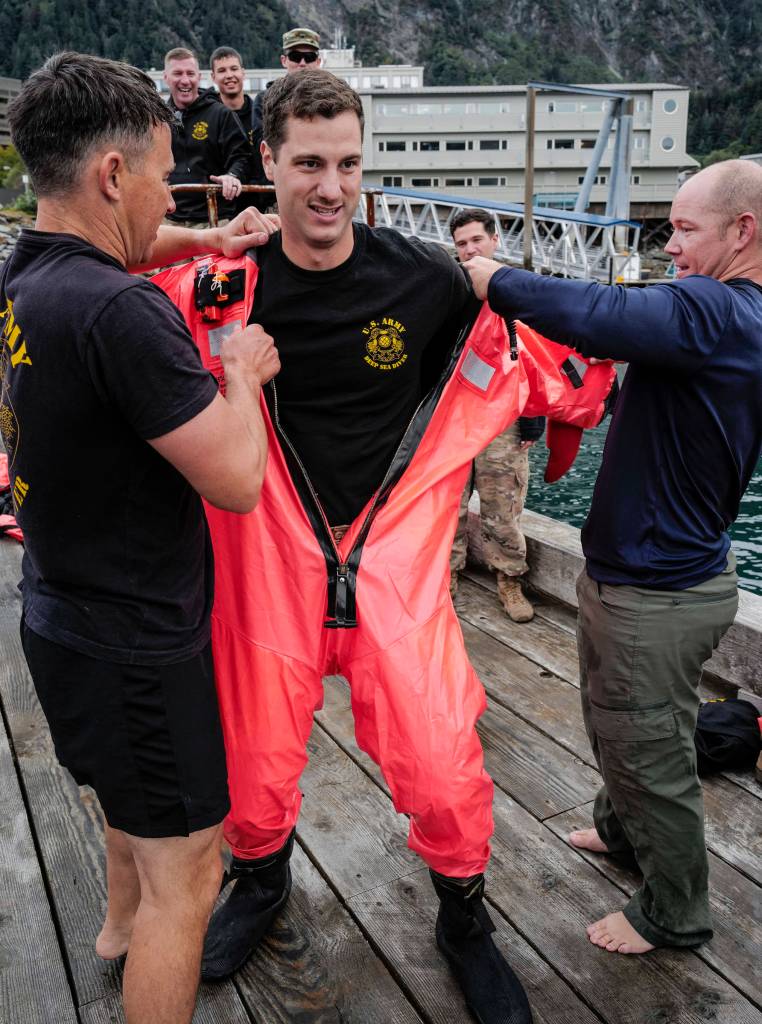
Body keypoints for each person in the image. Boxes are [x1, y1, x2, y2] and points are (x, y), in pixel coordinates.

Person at [154, 68, 616, 1024]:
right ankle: (263, 882)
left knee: (443, 759)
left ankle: (464, 918)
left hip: (395, 563)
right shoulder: (219, 291)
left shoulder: (426, 277)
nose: (331, 186)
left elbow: (526, 347)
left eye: (350, 163)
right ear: (266, 165)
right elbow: (87, 281)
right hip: (267, 559)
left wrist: (568, 422)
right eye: (309, 163)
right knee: (253, 757)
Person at [2, 51, 280, 1024]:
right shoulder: (123, 316)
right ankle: (143, 943)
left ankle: (113, 938)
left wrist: (209, 233)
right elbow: (239, 482)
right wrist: (239, 368)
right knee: (190, 879)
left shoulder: (25, 276)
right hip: (137, 650)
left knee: (123, 806)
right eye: (163, 174)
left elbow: (126, 251)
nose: (172, 191)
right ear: (112, 177)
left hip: (56, 613)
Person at [464, 159, 762, 957]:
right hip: (643, 577)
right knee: (615, 723)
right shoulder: (724, 320)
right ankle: (619, 833)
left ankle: (673, 912)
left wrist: (494, 278)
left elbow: (600, 311)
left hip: (658, 593)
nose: (671, 248)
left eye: (686, 230)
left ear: (745, 232)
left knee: (651, 749)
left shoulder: (722, 309)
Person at [448, 209, 544, 622]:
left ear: (494, 240)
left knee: (502, 505)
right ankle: (444, 578)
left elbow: (540, 358)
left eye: (476, 241)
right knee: (445, 505)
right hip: (451, 417)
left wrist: (534, 417)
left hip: (503, 419)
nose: (469, 250)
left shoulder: (520, 291)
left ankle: (509, 580)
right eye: (461, 244)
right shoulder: (448, 290)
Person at [163, 47, 250, 226]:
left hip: (214, 219)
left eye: (190, 73)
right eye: (178, 73)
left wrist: (232, 175)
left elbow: (242, 157)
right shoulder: (158, 118)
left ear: (199, 77)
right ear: (166, 78)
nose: (185, 80)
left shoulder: (221, 114)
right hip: (170, 220)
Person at [248, 28, 323, 196]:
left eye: (309, 57)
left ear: (318, 62)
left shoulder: (330, 100)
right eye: (295, 56)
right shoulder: (265, 100)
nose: (302, 63)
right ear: (284, 60)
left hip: (319, 189)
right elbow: (263, 142)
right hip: (277, 192)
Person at [210, 45, 269, 214]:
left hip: (261, 204)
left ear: (243, 72)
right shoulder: (209, 119)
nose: (229, 75)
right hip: (225, 208)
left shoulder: (259, 115)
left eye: (234, 69)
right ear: (213, 77)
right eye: (222, 70)